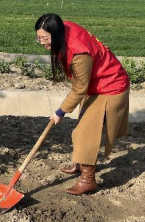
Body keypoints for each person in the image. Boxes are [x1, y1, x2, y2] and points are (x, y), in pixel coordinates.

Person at [35, 13, 129, 195]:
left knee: (84, 133)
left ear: (57, 33)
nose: (42, 43)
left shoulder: (79, 53)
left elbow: (79, 89)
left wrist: (60, 112)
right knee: (83, 125)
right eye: (39, 38)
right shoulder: (65, 27)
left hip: (110, 85)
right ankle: (80, 164)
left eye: (45, 39)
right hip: (97, 85)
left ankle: (88, 180)